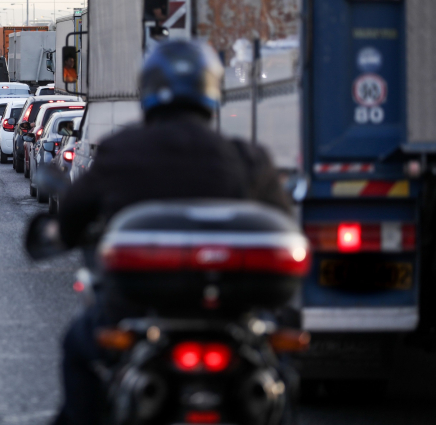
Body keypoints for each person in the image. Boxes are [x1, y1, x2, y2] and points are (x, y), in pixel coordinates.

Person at [53, 39, 291, 425]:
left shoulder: (121, 150)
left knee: (78, 346)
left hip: (137, 314)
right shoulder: (248, 158)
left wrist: (65, 234)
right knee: (279, 374)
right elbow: (284, 228)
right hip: (233, 317)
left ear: (148, 91)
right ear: (211, 92)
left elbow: (71, 218)